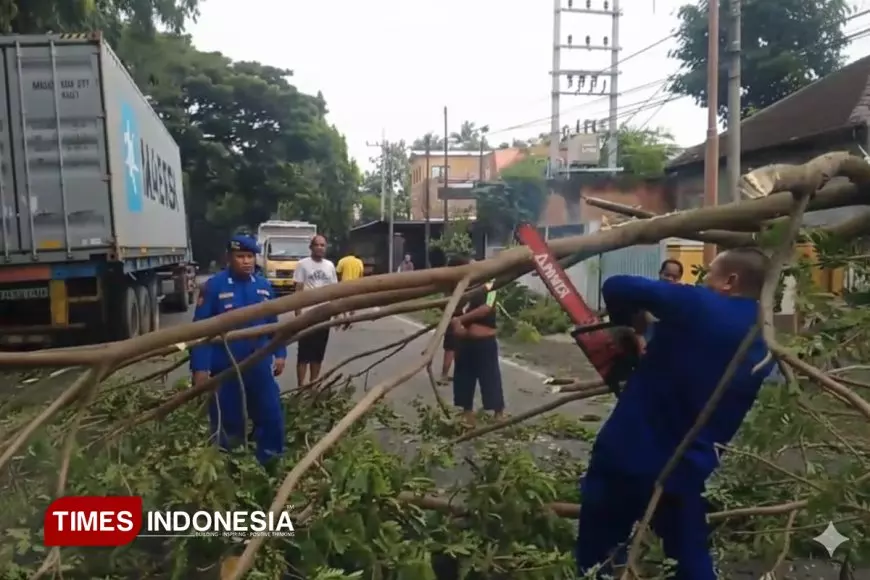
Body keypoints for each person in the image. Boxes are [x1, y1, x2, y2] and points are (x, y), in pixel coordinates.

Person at [575, 248, 775, 579]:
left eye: (710, 274)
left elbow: (617, 284)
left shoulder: (700, 305)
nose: (705, 281)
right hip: (687, 467)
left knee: (600, 551)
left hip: (627, 455)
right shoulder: (764, 337)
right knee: (688, 555)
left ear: (730, 281)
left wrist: (633, 326)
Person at [189, 234, 287, 467]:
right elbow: (200, 331)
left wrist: (280, 353)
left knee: (271, 416)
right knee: (228, 422)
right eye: (240, 256)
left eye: (250, 256)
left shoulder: (263, 287)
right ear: (229, 258)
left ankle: (269, 465)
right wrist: (200, 368)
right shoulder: (214, 287)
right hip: (225, 367)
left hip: (259, 365)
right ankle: (229, 469)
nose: (246, 261)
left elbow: (274, 324)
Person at [450, 275, 505, 426]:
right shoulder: (463, 292)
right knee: (464, 377)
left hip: (484, 341)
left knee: (490, 376)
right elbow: (453, 314)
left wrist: (461, 320)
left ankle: (498, 411)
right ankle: (467, 411)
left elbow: (486, 309)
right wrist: (457, 327)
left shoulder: (490, 289)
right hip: (465, 342)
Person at [293, 234, 338, 386]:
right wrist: (298, 315)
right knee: (304, 354)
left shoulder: (330, 266)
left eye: (322, 245)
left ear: (326, 248)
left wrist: (336, 311)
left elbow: (333, 291)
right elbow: (298, 290)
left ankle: (313, 385)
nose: (320, 248)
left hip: (324, 314)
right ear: (311, 247)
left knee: (318, 354)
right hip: (307, 314)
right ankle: (301, 387)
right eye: (317, 245)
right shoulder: (303, 264)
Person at [634, 259, 685, 351]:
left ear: (680, 278)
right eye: (667, 275)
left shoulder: (682, 300)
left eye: (674, 277)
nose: (670, 279)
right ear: (660, 273)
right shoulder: (647, 294)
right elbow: (638, 330)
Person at [438, 255, 469, 385]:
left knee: (456, 348)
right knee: (451, 348)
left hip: (454, 316)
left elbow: (441, 303)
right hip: (456, 316)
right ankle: (443, 375)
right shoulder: (459, 283)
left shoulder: (450, 282)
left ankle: (453, 374)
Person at [336, 251, 365, 330]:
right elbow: (361, 274)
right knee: (353, 303)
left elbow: (338, 273)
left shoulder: (342, 260)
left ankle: (346, 317)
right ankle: (351, 318)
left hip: (344, 285)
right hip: (355, 285)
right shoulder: (359, 261)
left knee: (344, 303)